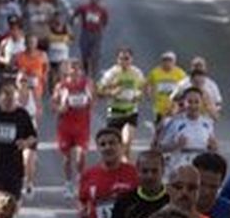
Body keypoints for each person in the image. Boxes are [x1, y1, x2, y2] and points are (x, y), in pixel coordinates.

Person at [0, 80, 38, 198]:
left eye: (13, 93)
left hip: (15, 167)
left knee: (12, 202)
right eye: (6, 93)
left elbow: (33, 137)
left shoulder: (22, 115)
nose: (10, 97)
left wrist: (25, 143)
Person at [52, 58, 93, 202]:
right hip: (65, 127)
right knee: (67, 158)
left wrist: (89, 101)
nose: (75, 71)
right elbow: (53, 107)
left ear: (81, 70)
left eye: (77, 68)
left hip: (82, 126)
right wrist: (60, 109)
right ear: (67, 70)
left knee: (81, 156)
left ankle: (81, 181)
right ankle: (68, 183)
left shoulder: (86, 85)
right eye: (72, 68)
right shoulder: (61, 86)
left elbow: (93, 102)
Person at [110, 150, 169, 218]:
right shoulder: (124, 201)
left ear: (163, 170)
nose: (150, 176)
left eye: (154, 171)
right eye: (145, 171)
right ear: (137, 171)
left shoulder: (173, 199)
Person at [155, 86, 217, 172]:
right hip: (180, 164)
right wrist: (176, 145)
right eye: (190, 102)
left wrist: (213, 147)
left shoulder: (208, 123)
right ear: (184, 103)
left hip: (201, 165)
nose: (193, 106)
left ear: (201, 103)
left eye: (196, 102)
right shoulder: (175, 122)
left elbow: (213, 148)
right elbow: (160, 147)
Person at [98, 48, 146, 153]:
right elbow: (99, 92)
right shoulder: (111, 73)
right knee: (114, 148)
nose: (124, 61)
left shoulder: (136, 73)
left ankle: (126, 166)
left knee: (126, 144)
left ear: (131, 59)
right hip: (114, 113)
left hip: (131, 112)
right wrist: (111, 93)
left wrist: (138, 96)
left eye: (126, 58)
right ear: (117, 60)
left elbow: (144, 89)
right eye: (121, 59)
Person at [193, 152, 230, 218]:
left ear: (221, 184)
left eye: (213, 187)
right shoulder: (176, 208)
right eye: (201, 184)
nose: (206, 192)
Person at [14, 37, 49, 129]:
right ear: (25, 44)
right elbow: (12, 68)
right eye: (29, 43)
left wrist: (44, 76)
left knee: (36, 106)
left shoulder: (42, 55)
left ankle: (33, 126)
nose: (31, 45)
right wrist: (21, 72)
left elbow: (46, 67)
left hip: (37, 84)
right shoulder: (19, 55)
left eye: (33, 43)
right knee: (22, 106)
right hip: (23, 85)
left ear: (36, 44)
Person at [71, 0, 108, 77]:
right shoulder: (84, 7)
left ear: (99, 0)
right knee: (85, 54)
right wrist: (72, 21)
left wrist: (100, 29)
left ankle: (93, 75)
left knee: (95, 55)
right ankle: (86, 71)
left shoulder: (102, 10)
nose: (94, 0)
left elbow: (105, 21)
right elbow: (76, 13)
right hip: (85, 33)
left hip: (96, 34)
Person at [146, 51, 187, 127]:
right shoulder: (155, 72)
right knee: (159, 128)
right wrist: (149, 94)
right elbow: (148, 84)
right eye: (165, 60)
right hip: (159, 107)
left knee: (175, 127)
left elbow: (185, 87)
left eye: (169, 60)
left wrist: (182, 101)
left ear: (174, 61)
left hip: (175, 106)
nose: (167, 62)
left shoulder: (180, 73)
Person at [43, 11, 72, 92]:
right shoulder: (49, 28)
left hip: (63, 57)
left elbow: (71, 39)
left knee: (60, 75)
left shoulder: (66, 28)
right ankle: (52, 90)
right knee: (52, 76)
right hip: (52, 57)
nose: (58, 20)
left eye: (60, 19)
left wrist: (66, 41)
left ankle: (61, 90)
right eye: (56, 18)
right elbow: (45, 40)